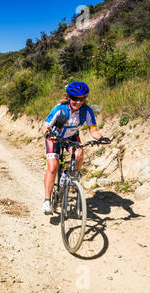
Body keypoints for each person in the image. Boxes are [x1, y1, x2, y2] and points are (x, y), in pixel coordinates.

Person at [40, 82, 110, 214]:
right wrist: (48, 134)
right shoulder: (60, 109)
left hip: (71, 138)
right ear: (68, 97)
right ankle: (47, 201)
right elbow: (45, 127)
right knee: (53, 167)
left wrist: (100, 138)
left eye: (81, 99)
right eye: (74, 98)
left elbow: (93, 130)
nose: (77, 102)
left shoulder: (86, 111)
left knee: (79, 154)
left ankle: (68, 175)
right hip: (54, 138)